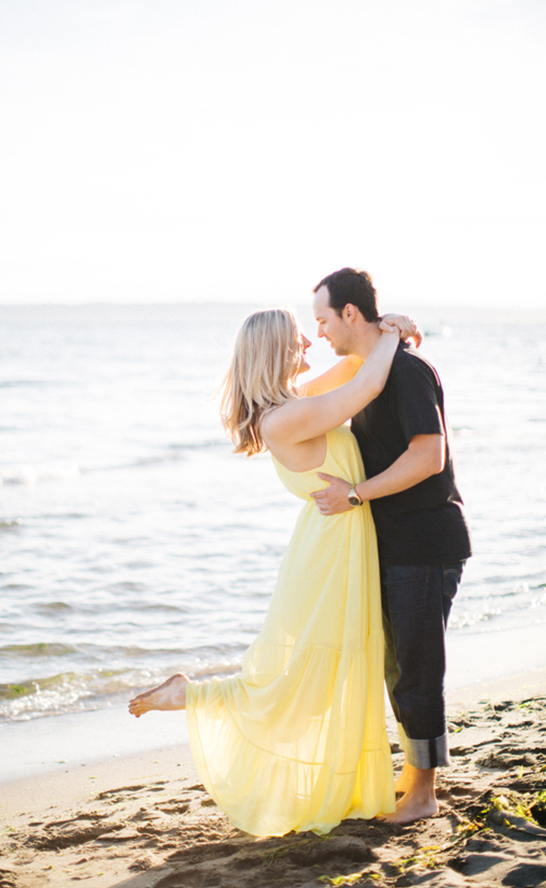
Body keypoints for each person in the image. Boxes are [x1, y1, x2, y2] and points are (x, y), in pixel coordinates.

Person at [129, 306, 419, 837]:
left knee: (327, 676)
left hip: (336, 546)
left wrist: (383, 329)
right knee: (300, 685)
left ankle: (342, 776)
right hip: (330, 556)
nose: (309, 343)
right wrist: (394, 334)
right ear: (274, 352)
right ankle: (188, 695)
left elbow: (356, 368)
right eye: (296, 340)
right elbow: (368, 386)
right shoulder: (285, 417)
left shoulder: (295, 402)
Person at [309, 268, 472, 825]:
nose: (322, 333)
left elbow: (430, 455)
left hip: (424, 541)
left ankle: (424, 795)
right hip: (395, 542)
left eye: (324, 320)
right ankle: (413, 774)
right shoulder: (371, 370)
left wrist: (355, 494)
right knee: (396, 663)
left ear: (350, 314)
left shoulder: (404, 370)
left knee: (417, 666)